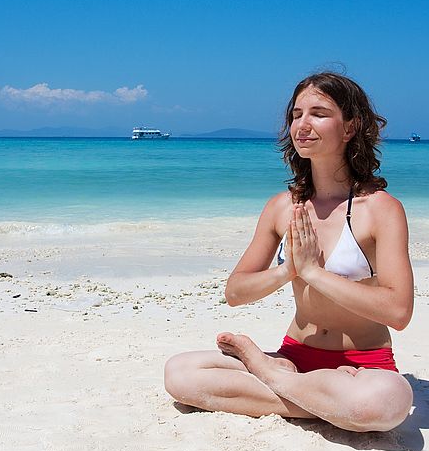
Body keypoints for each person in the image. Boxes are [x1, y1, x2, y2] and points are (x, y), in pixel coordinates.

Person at [163, 72, 414, 432]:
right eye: (296, 114)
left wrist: (314, 273)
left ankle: (271, 379)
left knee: (383, 402)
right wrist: (288, 271)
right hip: (293, 357)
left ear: (350, 127)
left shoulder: (381, 209)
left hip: (362, 365)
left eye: (319, 113)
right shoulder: (283, 207)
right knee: (180, 373)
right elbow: (235, 292)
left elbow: (399, 311)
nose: (302, 124)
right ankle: (313, 399)